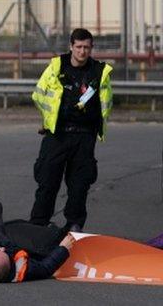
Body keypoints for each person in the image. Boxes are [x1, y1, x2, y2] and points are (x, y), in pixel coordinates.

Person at [29, 28, 113, 232]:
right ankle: (39, 224)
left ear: (91, 48)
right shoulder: (57, 67)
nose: (82, 52)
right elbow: (39, 94)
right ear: (71, 46)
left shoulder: (99, 72)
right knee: (47, 181)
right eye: (78, 47)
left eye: (86, 47)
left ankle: (74, 226)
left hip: (84, 136)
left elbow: (106, 102)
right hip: (58, 134)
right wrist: (47, 120)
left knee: (79, 186)